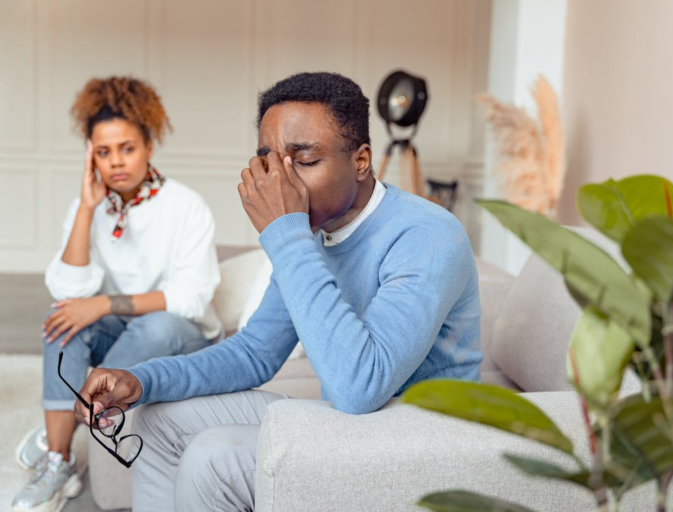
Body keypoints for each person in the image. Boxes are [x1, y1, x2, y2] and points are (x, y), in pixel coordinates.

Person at [73, 72, 482, 511]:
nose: (282, 182)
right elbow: (254, 352)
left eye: (304, 160)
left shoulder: (427, 235)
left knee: (214, 458)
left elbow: (359, 387)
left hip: (417, 439)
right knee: (158, 419)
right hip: (352, 423)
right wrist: (142, 378)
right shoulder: (316, 231)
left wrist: (286, 236)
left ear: (361, 161)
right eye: (269, 161)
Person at [12, 77, 222, 512]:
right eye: (103, 152)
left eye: (127, 148)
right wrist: (88, 208)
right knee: (64, 317)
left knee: (156, 324)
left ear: (149, 144)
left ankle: (67, 421)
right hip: (121, 338)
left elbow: (190, 298)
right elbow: (68, 289)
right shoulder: (87, 207)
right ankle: (59, 459)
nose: (116, 162)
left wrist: (105, 303)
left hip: (182, 340)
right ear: (90, 155)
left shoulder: (185, 206)